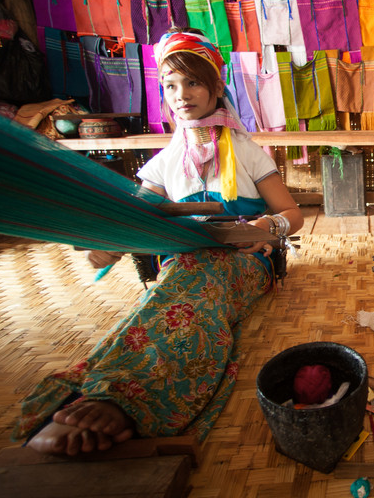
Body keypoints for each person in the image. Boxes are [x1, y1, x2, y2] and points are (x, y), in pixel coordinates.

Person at [15, 28, 303, 456]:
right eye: (170, 85)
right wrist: (110, 245)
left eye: (192, 82)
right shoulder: (163, 164)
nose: (181, 94)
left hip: (242, 264)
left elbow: (293, 215)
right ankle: (95, 391)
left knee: (196, 297)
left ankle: (132, 400)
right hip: (183, 266)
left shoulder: (247, 152)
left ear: (216, 87)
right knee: (158, 302)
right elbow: (134, 220)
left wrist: (266, 226)